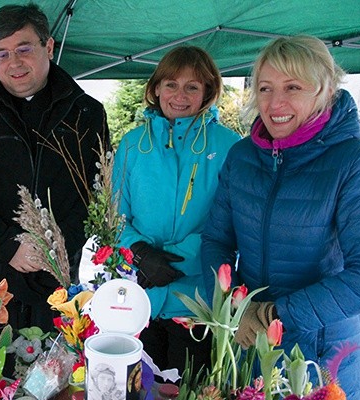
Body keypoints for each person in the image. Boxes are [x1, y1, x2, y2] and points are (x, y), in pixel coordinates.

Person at [201, 35, 360, 398]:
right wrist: (230, 305)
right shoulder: (242, 157)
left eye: (293, 87)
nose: (276, 103)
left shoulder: (352, 161)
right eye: (265, 88)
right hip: (250, 343)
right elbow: (216, 240)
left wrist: (275, 314)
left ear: (323, 91)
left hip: (322, 353)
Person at [0, 3, 109, 332]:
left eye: (24, 49)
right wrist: (6, 245)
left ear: (49, 46)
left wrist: (52, 250)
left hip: (52, 280)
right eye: (1, 53)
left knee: (52, 378)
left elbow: (93, 193)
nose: (13, 63)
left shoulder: (87, 113)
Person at [113, 46, 240, 374]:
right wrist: (140, 254)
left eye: (192, 86)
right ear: (156, 89)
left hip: (197, 302)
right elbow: (114, 216)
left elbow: (231, 222)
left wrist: (176, 260)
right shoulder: (132, 143)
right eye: (171, 84)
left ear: (207, 92)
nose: (179, 95)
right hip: (139, 299)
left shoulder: (228, 146)